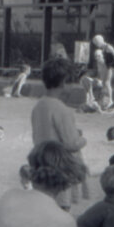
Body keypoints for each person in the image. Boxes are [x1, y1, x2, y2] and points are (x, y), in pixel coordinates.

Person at [31, 55, 89, 203]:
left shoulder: (38, 106)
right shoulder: (63, 110)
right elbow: (71, 144)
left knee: (44, 204)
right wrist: (82, 139)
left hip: (42, 165)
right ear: (64, 82)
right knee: (62, 207)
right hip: (60, 169)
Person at [90, 34, 114, 110]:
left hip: (112, 67)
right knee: (104, 83)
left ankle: (110, 101)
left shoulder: (108, 47)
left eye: (96, 43)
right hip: (108, 66)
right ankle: (105, 100)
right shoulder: (102, 48)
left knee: (107, 83)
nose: (96, 45)